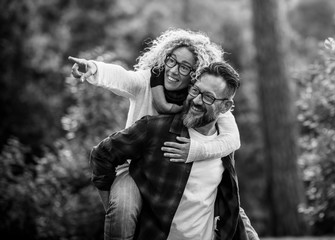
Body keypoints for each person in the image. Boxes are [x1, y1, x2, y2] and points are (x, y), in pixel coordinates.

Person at [69, 28, 242, 239]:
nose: (174, 70)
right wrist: (94, 68)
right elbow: (122, 78)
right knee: (122, 209)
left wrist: (195, 150)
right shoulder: (147, 83)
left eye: (185, 67)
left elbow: (232, 139)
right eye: (171, 61)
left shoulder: (204, 100)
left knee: (235, 210)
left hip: (168, 171)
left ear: (195, 74)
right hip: (133, 168)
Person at [90, 62, 259, 240]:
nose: (196, 100)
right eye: (195, 90)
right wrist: (111, 205)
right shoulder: (155, 129)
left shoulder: (223, 147)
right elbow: (101, 155)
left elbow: (229, 201)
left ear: (225, 107)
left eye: (208, 97)